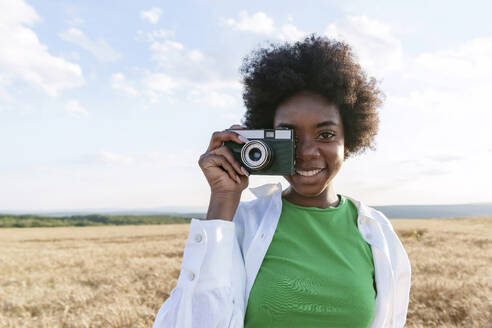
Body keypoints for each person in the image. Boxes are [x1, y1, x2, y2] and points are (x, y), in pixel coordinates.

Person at [153, 35, 411, 328]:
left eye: (325, 134)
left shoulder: (376, 233)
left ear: (349, 140)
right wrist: (222, 200)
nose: (306, 152)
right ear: (266, 140)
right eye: (289, 138)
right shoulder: (238, 225)